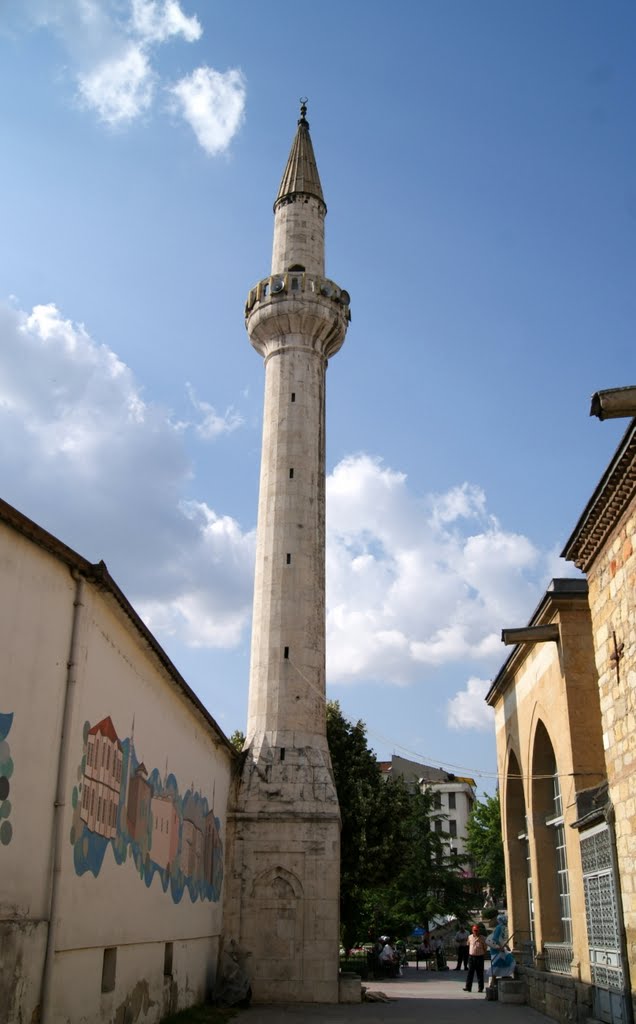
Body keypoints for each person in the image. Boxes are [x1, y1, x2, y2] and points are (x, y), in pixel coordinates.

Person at [487, 913, 516, 978]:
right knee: (497, 964)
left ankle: (504, 975)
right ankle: (493, 982)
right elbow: (495, 938)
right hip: (496, 949)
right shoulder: (499, 927)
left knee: (504, 962)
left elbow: (501, 939)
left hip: (499, 948)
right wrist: (502, 946)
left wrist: (505, 946)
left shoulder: (502, 927)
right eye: (506, 920)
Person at [463, 925, 488, 993]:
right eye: (474, 930)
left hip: (479, 957)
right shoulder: (470, 937)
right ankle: (468, 987)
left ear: (479, 931)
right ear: (472, 931)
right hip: (472, 957)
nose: (476, 932)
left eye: (477, 930)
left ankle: (480, 988)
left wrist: (482, 954)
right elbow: (468, 945)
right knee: (470, 973)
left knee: (480, 973)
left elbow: (485, 948)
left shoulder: (483, 938)